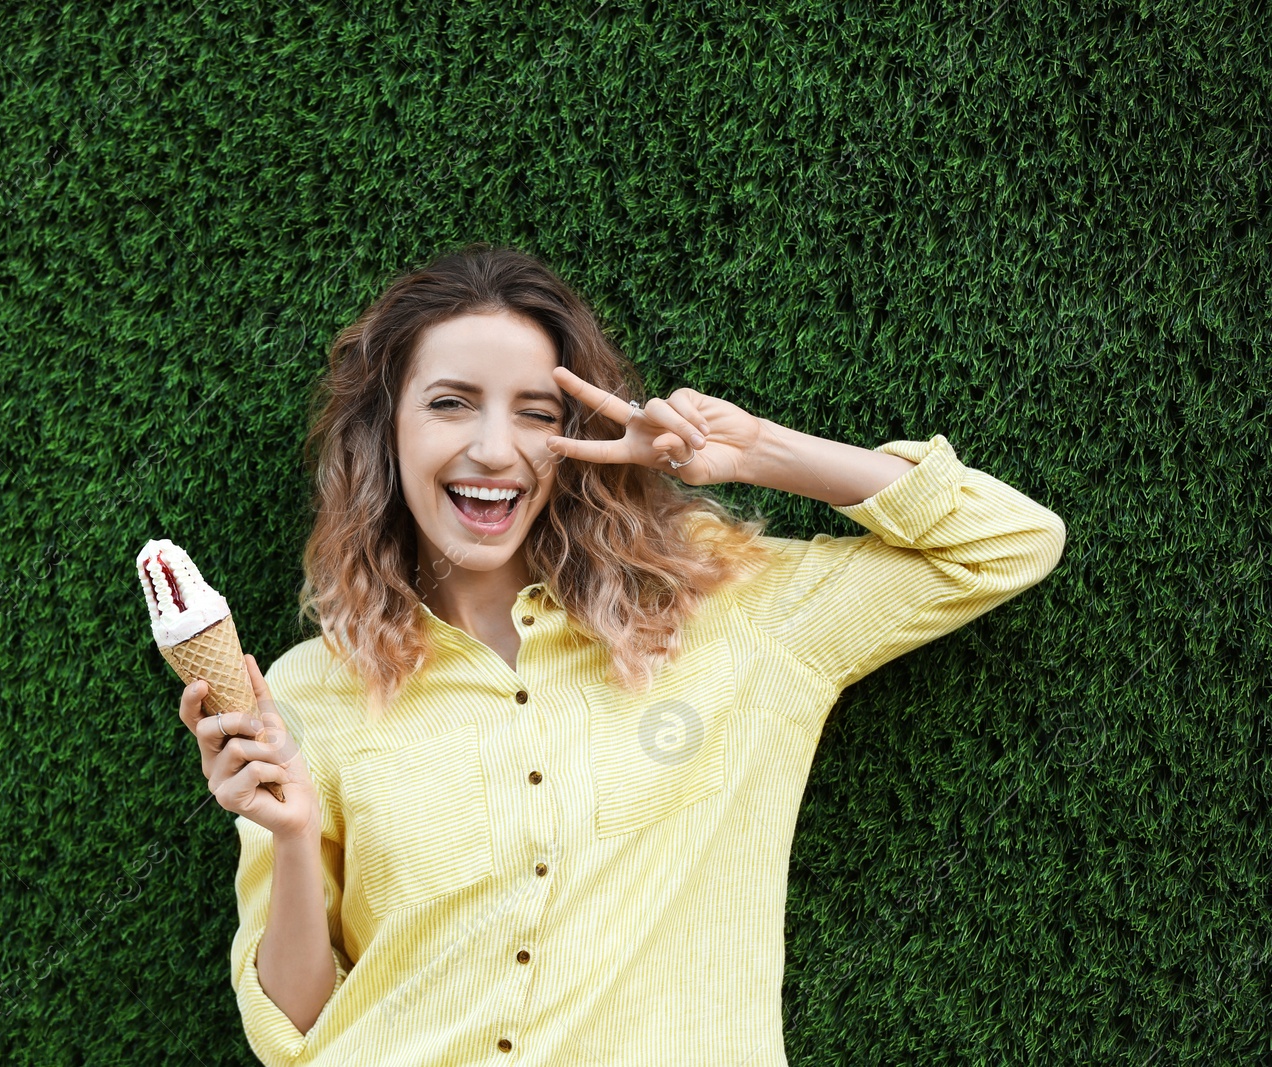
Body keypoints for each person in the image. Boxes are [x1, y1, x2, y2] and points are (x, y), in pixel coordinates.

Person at [176, 243, 1066, 1065]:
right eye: (450, 403)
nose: (494, 448)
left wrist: (756, 451)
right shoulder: (306, 689)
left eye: (538, 412)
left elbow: (1006, 542)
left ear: (578, 438)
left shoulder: (730, 614)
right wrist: (290, 836)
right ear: (387, 428)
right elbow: (293, 1030)